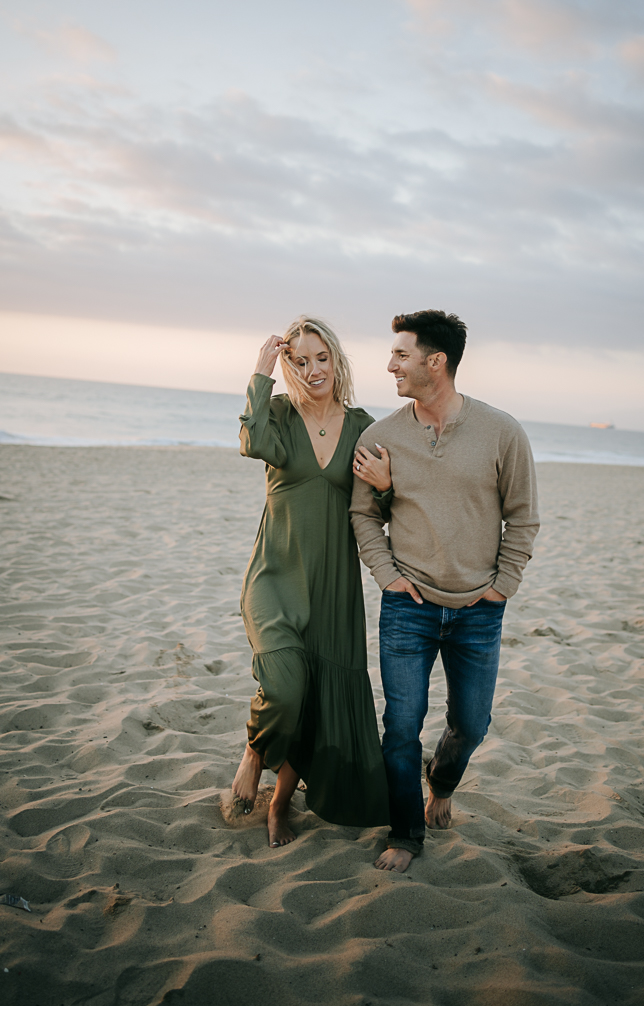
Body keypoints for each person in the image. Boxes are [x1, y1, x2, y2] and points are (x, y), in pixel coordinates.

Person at [350, 309, 539, 872]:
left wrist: (502, 586)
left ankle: (443, 782)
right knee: (401, 727)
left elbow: (523, 518)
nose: (390, 366)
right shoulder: (380, 436)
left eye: (401, 356)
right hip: (407, 606)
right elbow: (364, 516)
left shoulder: (502, 432)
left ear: (437, 362)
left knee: (472, 724)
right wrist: (388, 576)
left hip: (479, 609)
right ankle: (405, 834)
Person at [231, 315, 389, 848]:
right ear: (287, 365)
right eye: (299, 359)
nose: (312, 368)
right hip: (276, 575)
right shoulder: (277, 414)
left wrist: (386, 485)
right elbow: (250, 441)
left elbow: (380, 504)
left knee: (317, 699)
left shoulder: (365, 425)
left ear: (337, 360)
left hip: (333, 588)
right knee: (283, 686)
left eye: (321, 357)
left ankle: (280, 805)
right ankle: (255, 751)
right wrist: (260, 371)